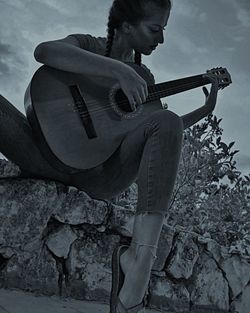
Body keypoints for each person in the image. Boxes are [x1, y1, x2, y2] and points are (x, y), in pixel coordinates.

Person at [0, 0, 220, 312]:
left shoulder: (145, 78)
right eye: (155, 29)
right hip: (43, 153)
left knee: (167, 120)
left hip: (101, 175)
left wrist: (205, 110)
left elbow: (159, 137)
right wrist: (117, 70)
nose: (161, 40)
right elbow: (44, 52)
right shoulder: (87, 46)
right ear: (126, 26)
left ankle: (140, 259)